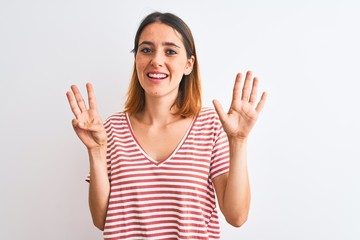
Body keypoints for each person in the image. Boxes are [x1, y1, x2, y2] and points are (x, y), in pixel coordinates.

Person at [66, 11, 266, 240]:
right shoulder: (110, 129)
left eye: (170, 51)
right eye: (146, 50)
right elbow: (102, 220)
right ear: (136, 59)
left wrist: (238, 141)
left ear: (189, 64)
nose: (156, 60)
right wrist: (96, 152)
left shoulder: (210, 126)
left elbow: (236, 216)